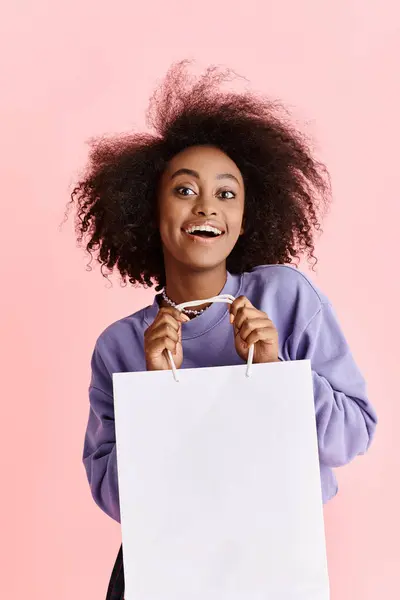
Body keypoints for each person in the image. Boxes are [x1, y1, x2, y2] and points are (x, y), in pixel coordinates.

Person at [67, 60, 377, 599]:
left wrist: (280, 372)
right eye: (184, 190)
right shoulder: (120, 346)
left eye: (227, 193)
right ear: (149, 206)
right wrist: (157, 394)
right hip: (163, 569)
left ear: (247, 214)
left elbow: (353, 434)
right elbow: (118, 500)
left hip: (274, 557)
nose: (207, 205)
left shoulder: (285, 297)